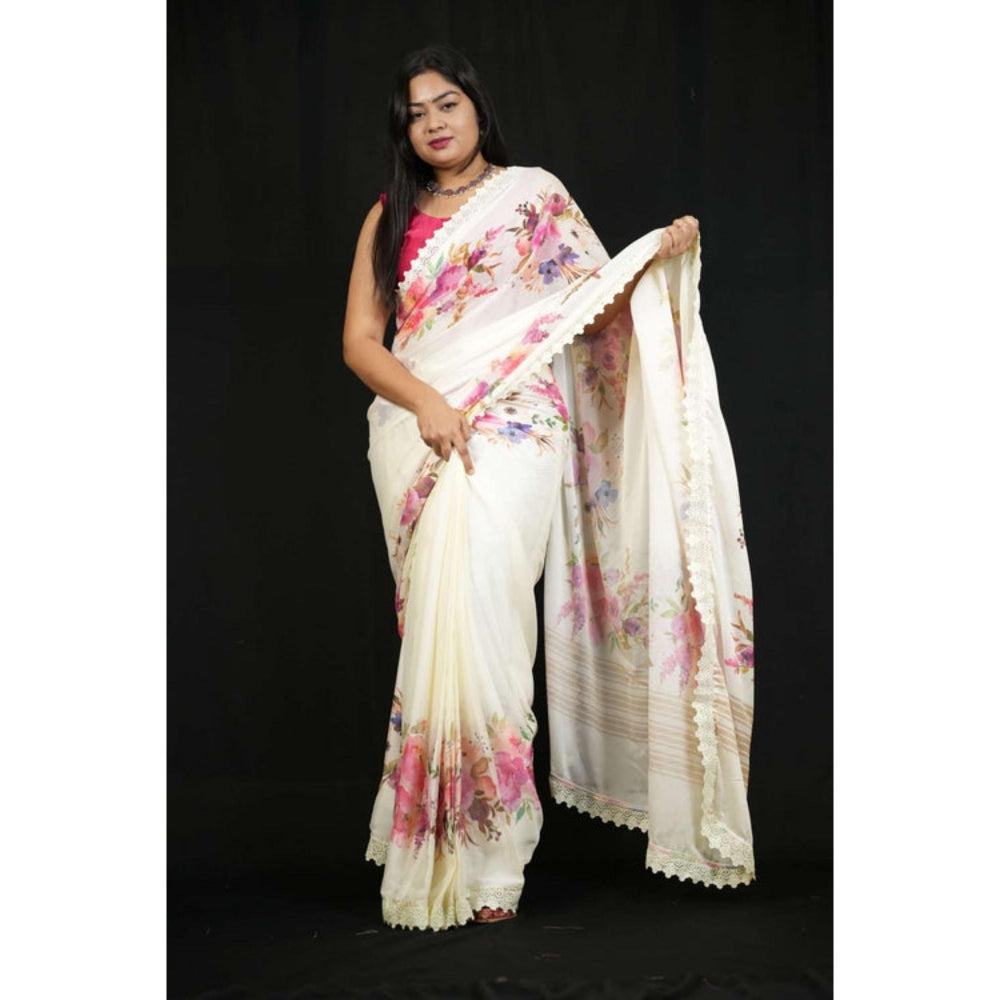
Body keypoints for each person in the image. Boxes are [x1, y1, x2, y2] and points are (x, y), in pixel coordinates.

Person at [342, 44, 755, 932]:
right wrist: (428, 404)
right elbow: (361, 343)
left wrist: (655, 260)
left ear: (477, 109)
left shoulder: (534, 199)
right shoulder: (390, 215)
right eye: (416, 113)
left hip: (517, 428)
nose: (433, 122)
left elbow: (588, 308)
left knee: (490, 625)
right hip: (419, 431)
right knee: (438, 631)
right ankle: (434, 846)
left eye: (447, 104)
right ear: (403, 131)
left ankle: (494, 856)